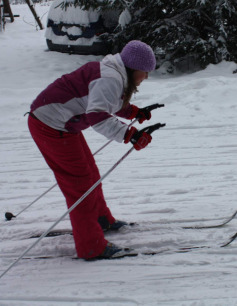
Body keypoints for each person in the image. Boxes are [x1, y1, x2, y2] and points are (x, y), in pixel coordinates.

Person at [28, 40, 156, 260]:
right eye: (144, 73)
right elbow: (97, 117)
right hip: (49, 125)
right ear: (133, 68)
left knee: (90, 173)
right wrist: (131, 134)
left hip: (62, 125)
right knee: (81, 185)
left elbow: (106, 101)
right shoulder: (110, 79)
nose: (146, 78)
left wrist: (134, 111)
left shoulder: (113, 73)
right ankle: (91, 246)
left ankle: (101, 219)